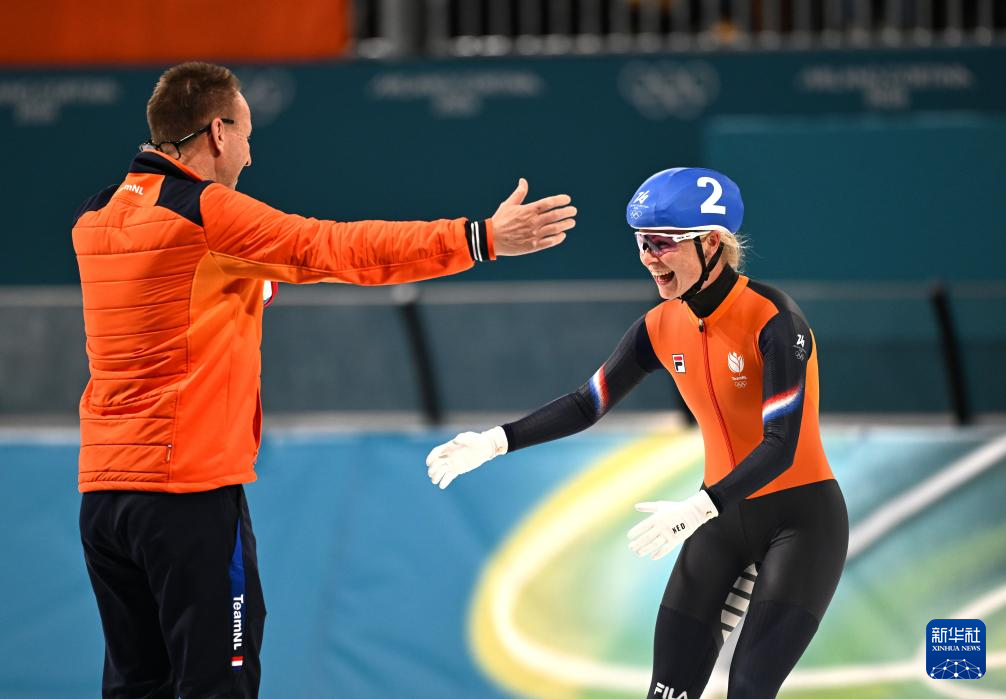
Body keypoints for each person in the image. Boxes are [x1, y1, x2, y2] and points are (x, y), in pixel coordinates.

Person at [72, 61, 576, 699]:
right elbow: (338, 248)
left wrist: (255, 286)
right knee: (218, 683)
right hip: (187, 493)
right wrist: (479, 238)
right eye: (247, 135)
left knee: (136, 685)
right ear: (219, 133)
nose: (250, 155)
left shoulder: (96, 216)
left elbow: (177, 299)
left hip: (104, 497)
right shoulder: (206, 213)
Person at [426, 167, 848, 698]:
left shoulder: (774, 319)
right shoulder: (659, 326)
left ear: (712, 244)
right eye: (642, 242)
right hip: (720, 518)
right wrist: (494, 441)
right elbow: (587, 404)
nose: (649, 257)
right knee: (665, 693)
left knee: (748, 689)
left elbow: (781, 446)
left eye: (663, 243)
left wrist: (697, 509)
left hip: (800, 522)